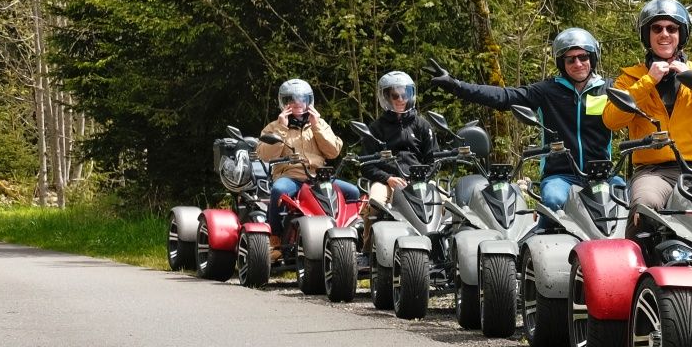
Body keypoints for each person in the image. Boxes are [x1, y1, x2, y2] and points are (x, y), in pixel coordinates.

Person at [426, 28, 618, 212]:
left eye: (583, 57)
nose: (578, 64)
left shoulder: (610, 89)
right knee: (553, 201)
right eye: (570, 60)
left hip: (602, 175)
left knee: (626, 196)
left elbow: (641, 100)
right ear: (562, 64)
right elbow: (504, 97)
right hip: (561, 176)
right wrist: (456, 85)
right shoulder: (547, 91)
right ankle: (536, 241)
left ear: (592, 58)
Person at [603, 0, 692, 216]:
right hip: (653, 171)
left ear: (682, 34)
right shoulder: (630, 78)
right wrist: (648, 81)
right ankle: (636, 250)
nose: (664, 34)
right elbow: (611, 120)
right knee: (644, 206)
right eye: (656, 28)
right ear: (647, 35)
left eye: (672, 28)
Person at [256, 78, 357, 217]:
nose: (297, 102)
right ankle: (275, 234)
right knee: (278, 190)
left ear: (308, 101)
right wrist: (282, 127)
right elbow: (265, 155)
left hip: (319, 178)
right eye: (292, 99)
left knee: (353, 191)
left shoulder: (319, 123)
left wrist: (316, 126)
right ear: (284, 103)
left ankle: (348, 231)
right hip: (291, 177)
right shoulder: (274, 126)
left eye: (302, 98)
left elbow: (333, 152)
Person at [360, 70, 441, 211]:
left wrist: (421, 177)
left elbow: (435, 159)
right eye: (395, 95)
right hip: (387, 183)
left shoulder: (422, 125)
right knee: (374, 203)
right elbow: (366, 165)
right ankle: (368, 234)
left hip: (420, 181)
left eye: (404, 95)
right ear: (386, 97)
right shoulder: (375, 128)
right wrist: (388, 178)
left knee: (447, 203)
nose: (400, 99)